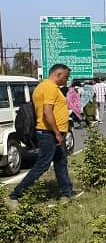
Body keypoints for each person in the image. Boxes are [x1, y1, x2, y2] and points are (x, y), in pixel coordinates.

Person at [7, 64, 77, 206]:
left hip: (51, 132)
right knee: (42, 165)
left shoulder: (42, 86)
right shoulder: (50, 88)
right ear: (58, 74)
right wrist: (57, 133)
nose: (66, 80)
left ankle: (67, 193)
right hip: (49, 133)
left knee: (60, 162)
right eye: (66, 77)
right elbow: (47, 112)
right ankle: (15, 195)